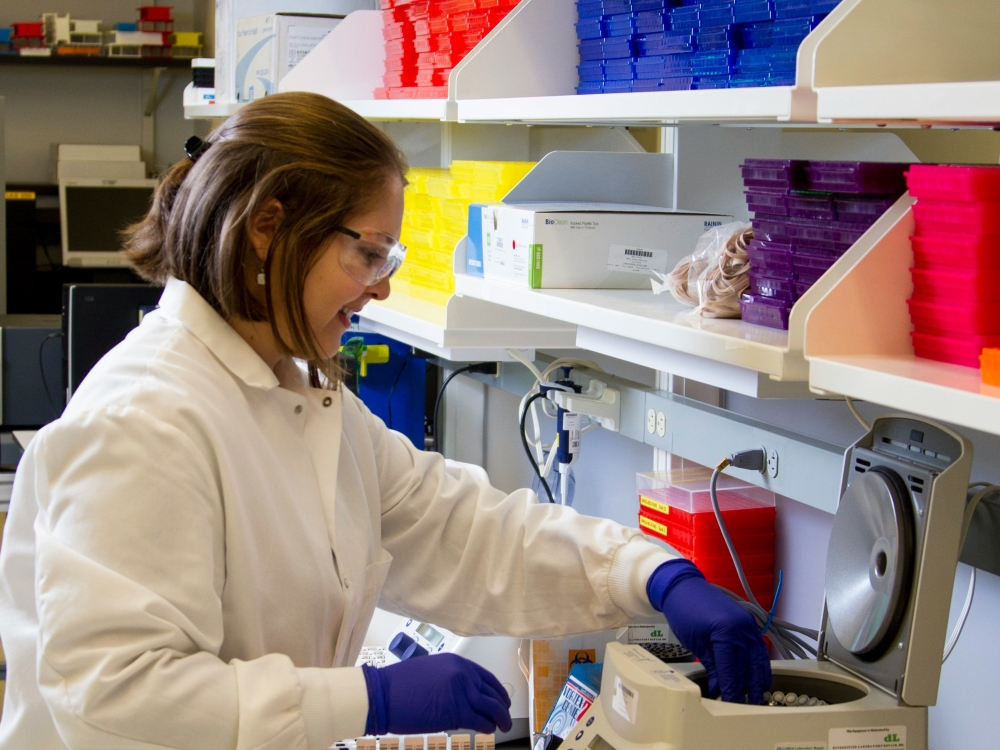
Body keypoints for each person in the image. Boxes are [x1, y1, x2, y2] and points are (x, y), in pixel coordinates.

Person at [0, 92, 769, 750]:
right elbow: (111, 693)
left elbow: (461, 530)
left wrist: (650, 574)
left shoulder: (295, 394)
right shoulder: (146, 419)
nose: (382, 290)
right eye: (367, 255)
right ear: (267, 228)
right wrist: (368, 699)